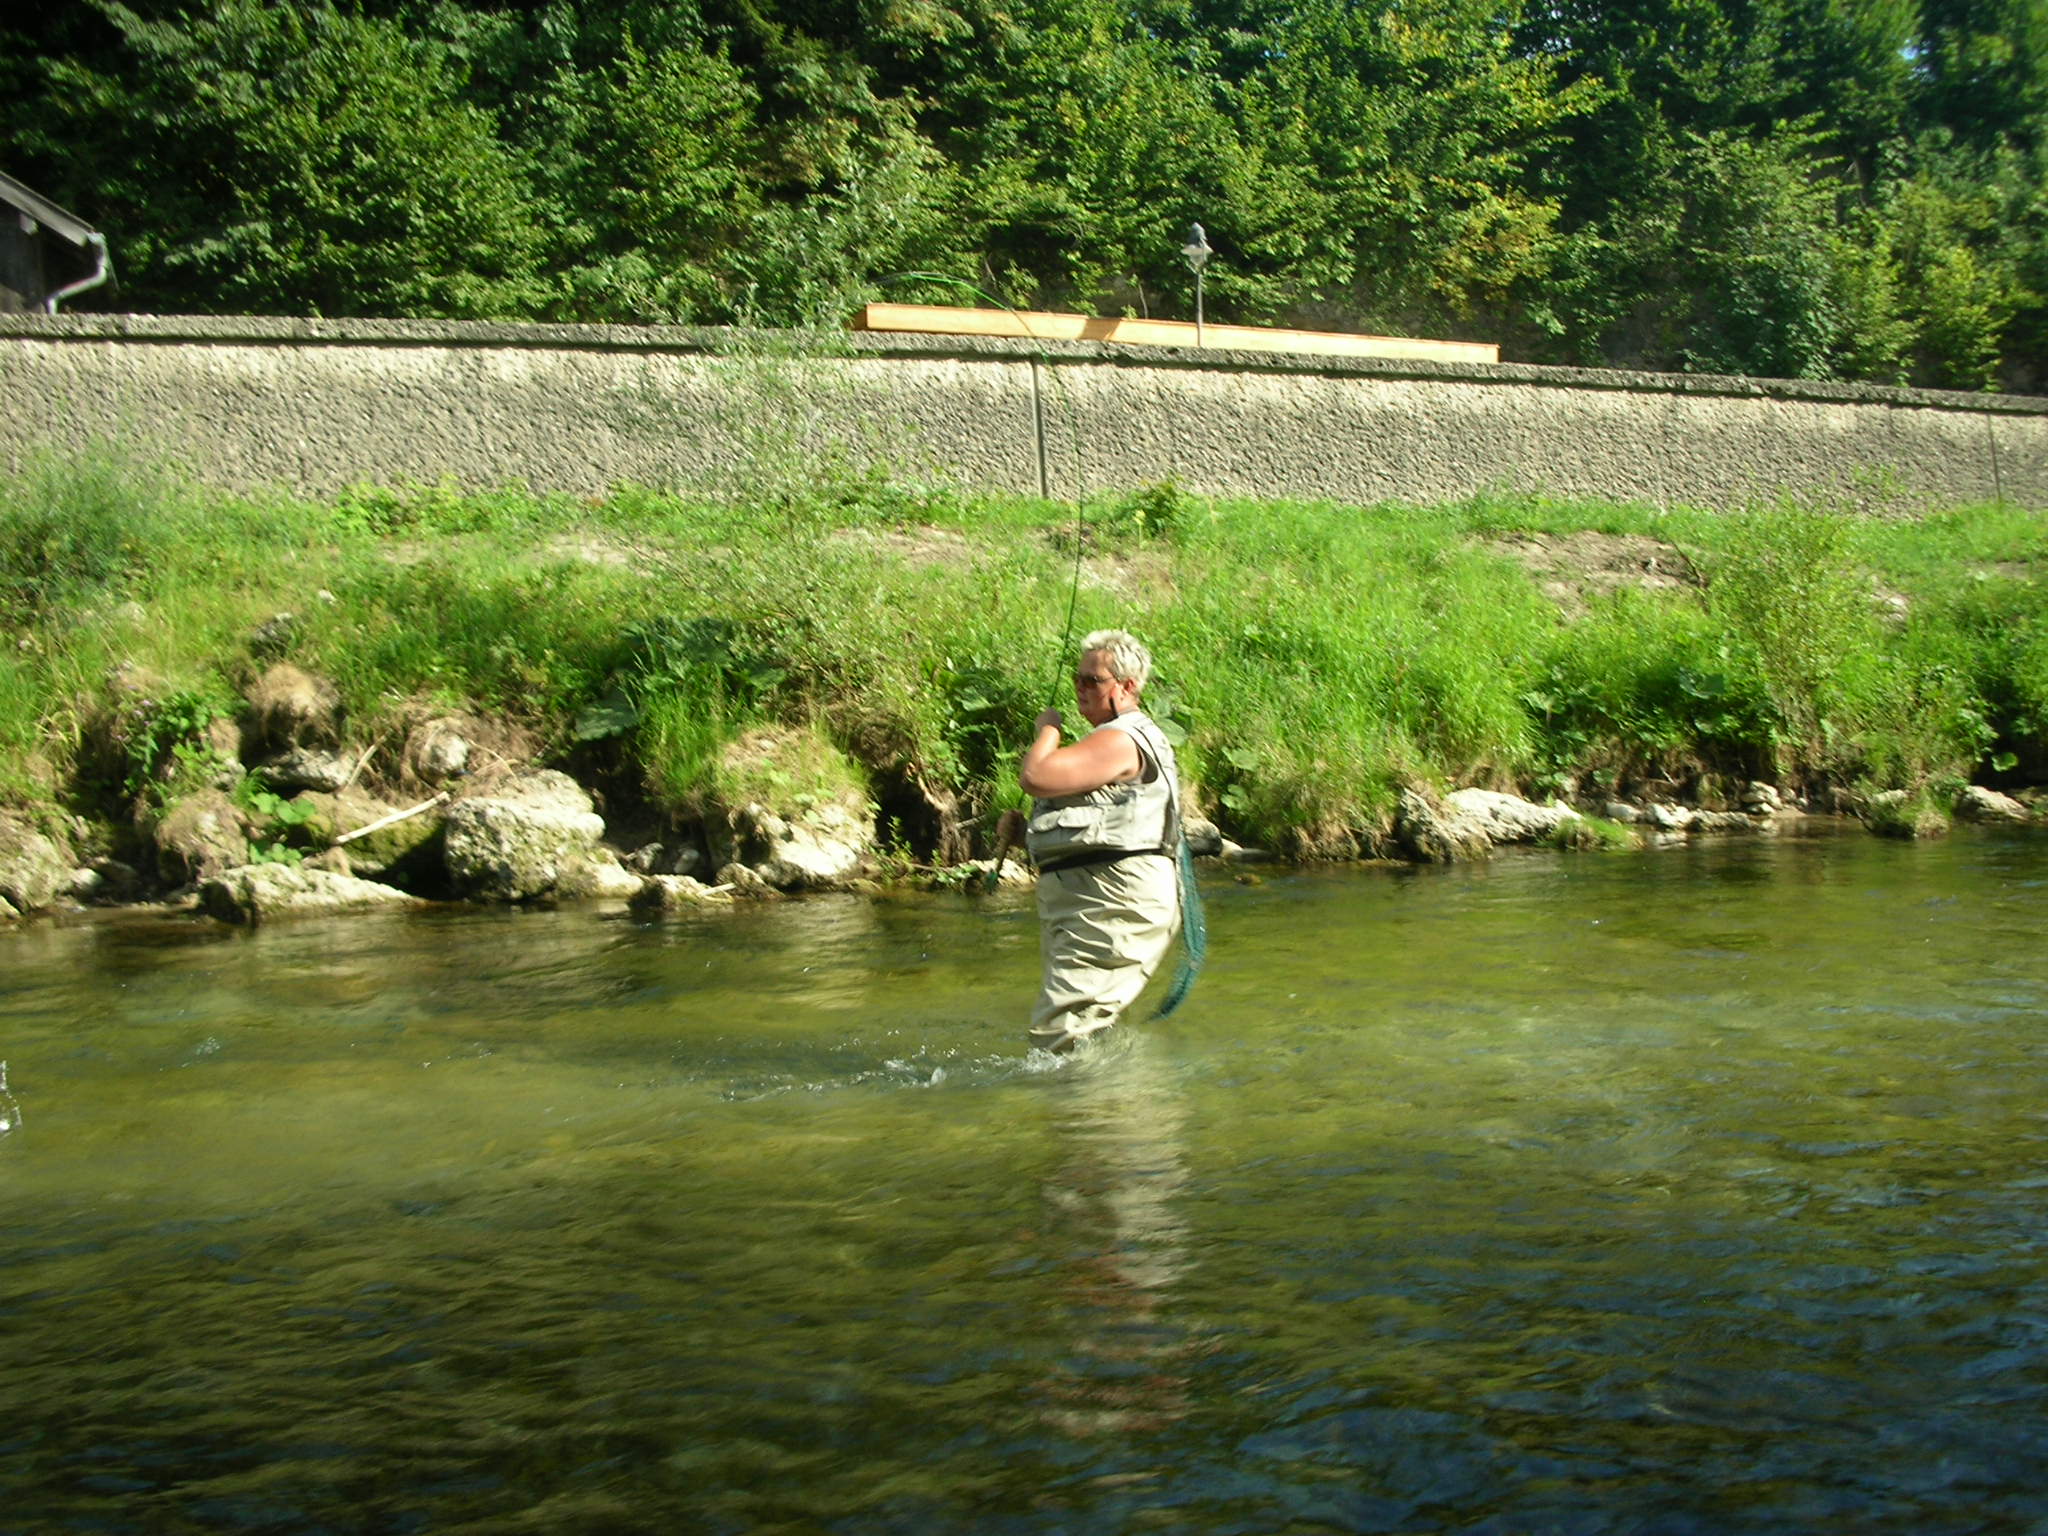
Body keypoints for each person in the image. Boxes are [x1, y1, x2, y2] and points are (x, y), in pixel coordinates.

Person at [1018, 629, 1184, 1053]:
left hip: (1111, 904)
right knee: (1086, 1031)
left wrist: (1048, 731)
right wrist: (1025, 835)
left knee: (1060, 1036)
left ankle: (1085, 1115)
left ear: (1128, 687)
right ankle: (1114, 1105)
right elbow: (1102, 830)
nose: (1080, 687)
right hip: (1095, 903)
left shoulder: (1121, 738)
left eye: (1092, 680)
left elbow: (1037, 776)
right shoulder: (1111, 739)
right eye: (1078, 679)